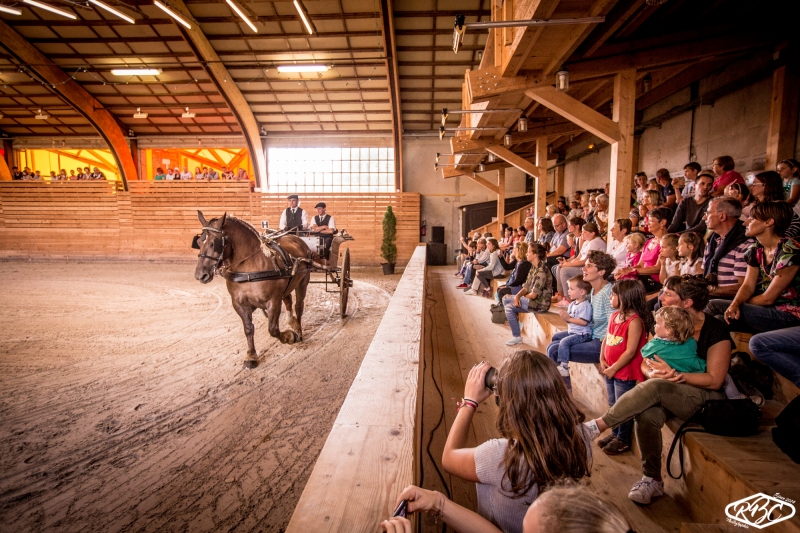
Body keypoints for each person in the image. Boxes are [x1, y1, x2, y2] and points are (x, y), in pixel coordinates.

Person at [583, 275, 733, 505]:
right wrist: (653, 372)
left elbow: (714, 380)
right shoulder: (664, 323)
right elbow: (646, 360)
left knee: (656, 387)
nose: (660, 297)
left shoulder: (715, 330)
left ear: (687, 303)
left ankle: (596, 427)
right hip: (665, 388)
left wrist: (674, 376)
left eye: (668, 294)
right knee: (647, 413)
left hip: (702, 396)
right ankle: (652, 479)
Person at [440, 353, 591, 533]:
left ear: (507, 403)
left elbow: (448, 457)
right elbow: (589, 428)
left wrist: (470, 402)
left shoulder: (500, 455)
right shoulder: (579, 437)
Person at [707, 201, 800, 334]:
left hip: (790, 315)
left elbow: (768, 298)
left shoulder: (790, 251)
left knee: (714, 305)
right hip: (767, 311)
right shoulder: (756, 250)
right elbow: (747, 286)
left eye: (752, 219)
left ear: (768, 222)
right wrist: (734, 304)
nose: (745, 222)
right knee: (719, 320)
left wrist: (737, 304)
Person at [643, 306, 744, 401]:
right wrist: (650, 373)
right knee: (726, 378)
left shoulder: (656, 344)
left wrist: (673, 373)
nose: (661, 297)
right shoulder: (690, 341)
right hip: (693, 370)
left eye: (668, 294)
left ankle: (737, 402)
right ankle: (737, 398)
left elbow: (644, 353)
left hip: (689, 382)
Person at [546, 251, 616, 385]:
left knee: (554, 350)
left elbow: (614, 327)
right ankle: (560, 389)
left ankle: (563, 395)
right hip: (591, 335)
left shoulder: (608, 293)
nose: (584, 268)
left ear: (601, 272)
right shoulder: (594, 291)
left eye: (589, 266)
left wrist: (605, 356)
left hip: (600, 343)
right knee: (554, 341)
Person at [597, 280, 649, 455]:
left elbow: (630, 351)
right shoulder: (614, 316)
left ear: (625, 297)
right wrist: (602, 358)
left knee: (622, 406)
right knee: (613, 404)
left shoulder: (635, 321)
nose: (611, 297)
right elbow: (607, 338)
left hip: (623, 372)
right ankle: (615, 433)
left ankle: (623, 439)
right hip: (610, 368)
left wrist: (614, 368)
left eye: (613, 295)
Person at [702, 197, 753, 298]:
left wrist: (707, 291)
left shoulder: (745, 244)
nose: (704, 217)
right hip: (711, 298)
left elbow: (744, 287)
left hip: (730, 303)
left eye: (708, 213)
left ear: (722, 217)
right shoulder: (712, 241)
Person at [504, 244, 553, 345]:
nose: (526, 253)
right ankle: (516, 332)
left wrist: (518, 298)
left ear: (535, 255)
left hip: (540, 304)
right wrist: (517, 296)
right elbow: (526, 286)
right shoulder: (534, 267)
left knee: (507, 301)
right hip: (532, 301)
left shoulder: (541, 270)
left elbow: (533, 295)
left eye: (529, 251)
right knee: (508, 304)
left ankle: (516, 334)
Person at [616, 207, 671, 292]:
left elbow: (657, 268)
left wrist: (632, 271)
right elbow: (640, 264)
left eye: (651, 221)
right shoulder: (649, 241)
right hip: (643, 279)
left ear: (663, 222)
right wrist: (626, 270)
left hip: (656, 283)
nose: (647, 223)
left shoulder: (668, 242)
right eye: (647, 220)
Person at [552, 222, 605, 307]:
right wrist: (567, 263)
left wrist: (567, 265)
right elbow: (579, 256)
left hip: (590, 267)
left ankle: (568, 298)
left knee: (564, 271)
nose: (582, 234)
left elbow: (585, 261)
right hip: (582, 265)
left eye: (585, 232)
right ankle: (561, 295)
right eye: (582, 232)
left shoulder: (595, 242)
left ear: (592, 233)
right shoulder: (587, 242)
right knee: (559, 267)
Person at [551, 276, 593, 379]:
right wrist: (565, 318)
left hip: (583, 334)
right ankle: (557, 364)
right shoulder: (572, 304)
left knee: (564, 342)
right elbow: (571, 319)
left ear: (582, 292)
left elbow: (584, 322)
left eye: (571, 289)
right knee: (556, 336)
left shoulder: (585, 305)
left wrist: (568, 319)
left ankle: (564, 366)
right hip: (573, 331)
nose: (568, 291)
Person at [749, 171, 800, 238]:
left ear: (767, 185)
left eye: (754, 184)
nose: (751, 187)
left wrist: (778, 241)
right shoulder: (756, 206)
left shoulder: (779, 208)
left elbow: (795, 224)